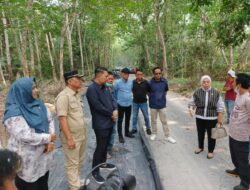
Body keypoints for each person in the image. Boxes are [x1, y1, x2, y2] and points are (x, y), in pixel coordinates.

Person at [3, 77, 56, 190]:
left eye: (35, 87)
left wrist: (50, 140)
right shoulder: (13, 113)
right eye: (32, 88)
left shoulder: (39, 105)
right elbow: (24, 135)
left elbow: (50, 120)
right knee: (29, 186)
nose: (36, 90)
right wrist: (48, 138)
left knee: (43, 183)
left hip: (43, 156)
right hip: (27, 161)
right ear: (22, 91)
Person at [56, 70, 86, 190]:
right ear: (69, 81)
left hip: (81, 135)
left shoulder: (76, 94)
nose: (80, 81)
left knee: (79, 160)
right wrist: (69, 139)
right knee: (72, 163)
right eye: (77, 79)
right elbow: (62, 119)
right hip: (72, 137)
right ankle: (75, 187)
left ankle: (76, 181)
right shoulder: (63, 97)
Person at [86, 67, 117, 184]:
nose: (108, 78)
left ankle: (103, 164)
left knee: (105, 146)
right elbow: (97, 106)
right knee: (100, 147)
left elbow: (112, 99)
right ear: (98, 76)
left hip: (110, 121)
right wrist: (111, 113)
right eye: (105, 76)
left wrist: (115, 109)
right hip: (101, 124)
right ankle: (95, 171)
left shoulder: (105, 87)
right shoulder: (92, 89)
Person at [188, 75, 224, 159]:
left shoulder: (216, 92)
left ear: (210, 82)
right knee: (200, 133)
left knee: (212, 135)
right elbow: (192, 103)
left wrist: (219, 121)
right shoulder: (197, 92)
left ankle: (211, 151)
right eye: (204, 82)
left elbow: (220, 107)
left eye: (207, 82)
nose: (206, 84)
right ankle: (200, 147)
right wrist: (190, 109)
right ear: (201, 83)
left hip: (212, 118)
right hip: (200, 117)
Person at [225, 73, 250, 190]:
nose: (232, 83)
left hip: (242, 137)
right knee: (234, 156)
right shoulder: (238, 94)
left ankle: (245, 184)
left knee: (243, 160)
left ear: (239, 85)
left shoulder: (248, 99)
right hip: (233, 133)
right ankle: (237, 170)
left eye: (234, 81)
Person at [148, 67, 176, 143]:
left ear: (161, 73)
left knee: (164, 121)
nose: (158, 75)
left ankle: (167, 136)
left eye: (159, 73)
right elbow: (148, 92)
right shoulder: (150, 83)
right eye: (156, 73)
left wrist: (161, 98)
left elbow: (165, 91)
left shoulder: (164, 82)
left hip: (162, 105)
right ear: (153, 74)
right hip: (153, 105)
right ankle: (154, 133)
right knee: (153, 121)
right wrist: (152, 98)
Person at [114, 67, 134, 143]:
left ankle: (127, 132)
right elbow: (115, 92)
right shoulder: (118, 82)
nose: (127, 75)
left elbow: (130, 90)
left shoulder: (130, 82)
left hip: (129, 104)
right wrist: (117, 101)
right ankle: (120, 135)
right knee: (120, 120)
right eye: (125, 74)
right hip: (120, 104)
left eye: (128, 74)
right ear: (122, 74)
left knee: (128, 119)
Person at [131, 69, 152, 135]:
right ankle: (134, 128)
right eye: (138, 74)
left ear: (142, 75)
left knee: (146, 116)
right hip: (135, 102)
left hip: (143, 102)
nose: (139, 76)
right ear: (135, 75)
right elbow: (130, 90)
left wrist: (151, 98)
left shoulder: (146, 82)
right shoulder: (133, 82)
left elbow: (149, 91)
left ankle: (148, 128)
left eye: (140, 74)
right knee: (134, 116)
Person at [106, 71, 118, 159]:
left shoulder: (113, 87)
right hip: (107, 115)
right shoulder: (103, 89)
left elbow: (115, 100)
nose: (110, 80)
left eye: (112, 79)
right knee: (106, 134)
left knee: (113, 132)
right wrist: (111, 114)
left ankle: (110, 147)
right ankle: (105, 151)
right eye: (109, 78)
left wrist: (116, 111)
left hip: (114, 114)